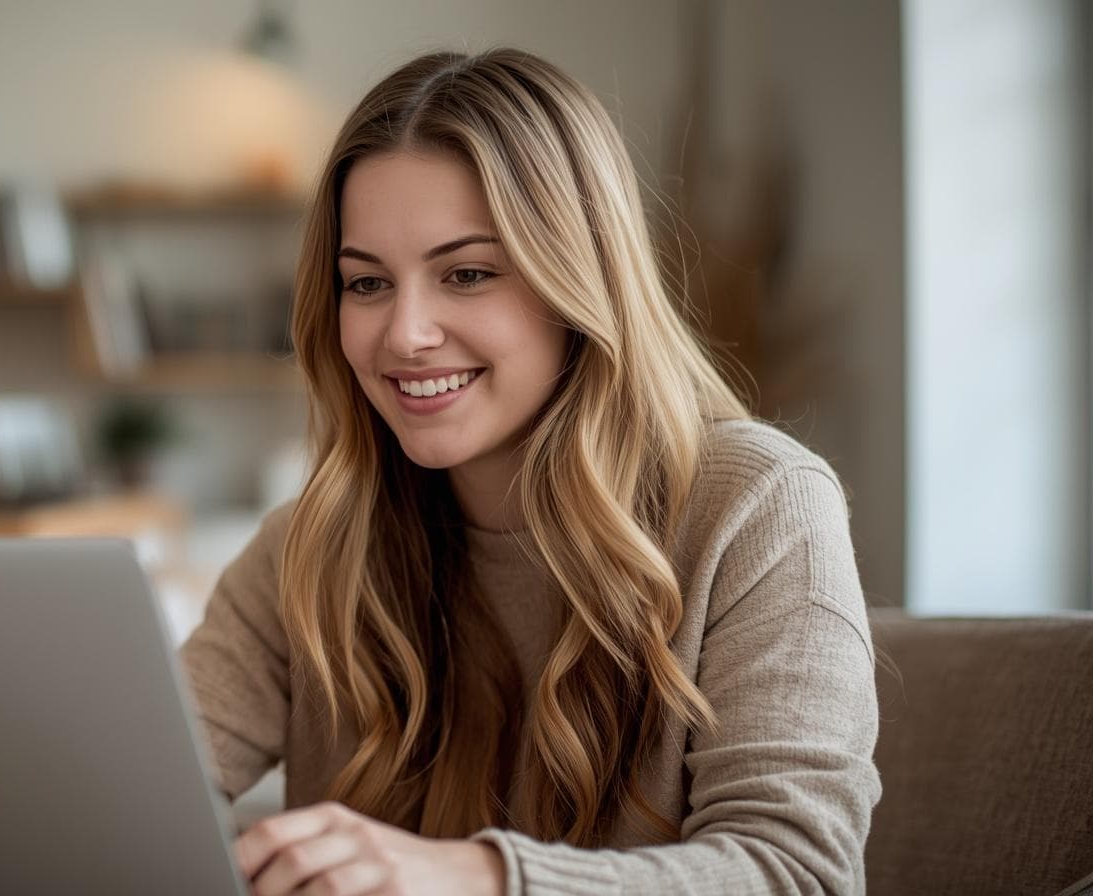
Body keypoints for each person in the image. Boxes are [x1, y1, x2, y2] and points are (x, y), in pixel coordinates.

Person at [181, 47, 879, 895]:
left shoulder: (759, 509)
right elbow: (124, 788)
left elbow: (797, 873)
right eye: (365, 283)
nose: (404, 334)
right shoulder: (309, 547)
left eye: (467, 274)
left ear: (578, 281)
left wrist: (478, 878)